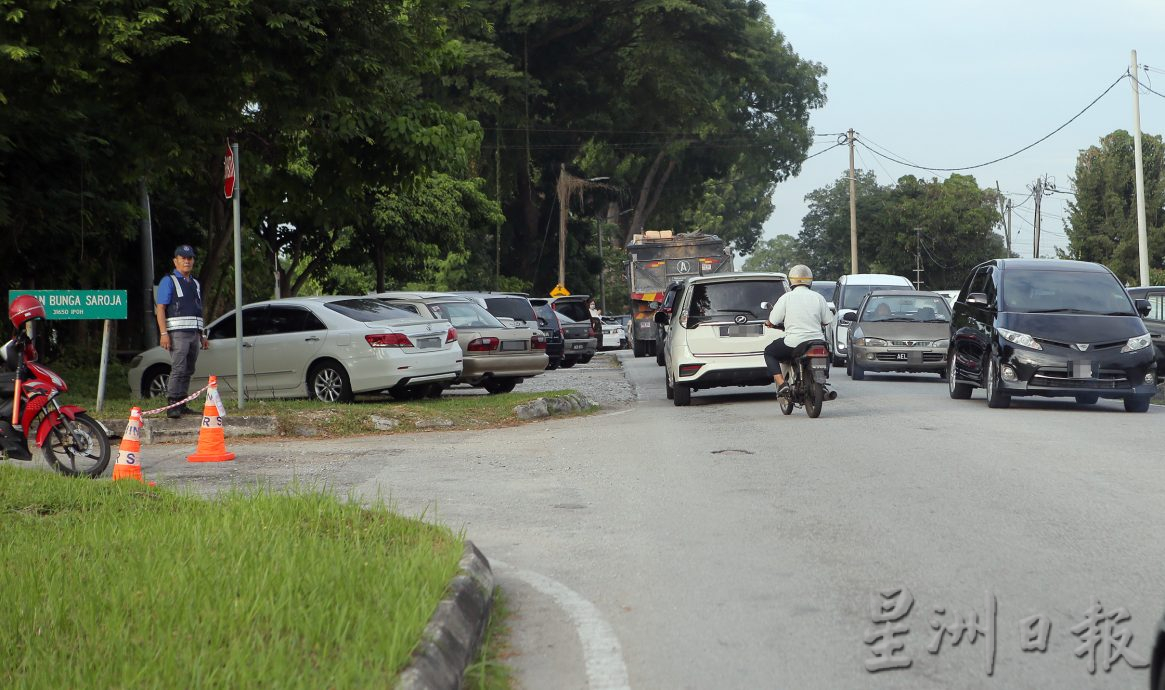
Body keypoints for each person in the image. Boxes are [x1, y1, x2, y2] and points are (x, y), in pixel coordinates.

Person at [155, 244, 209, 418]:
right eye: (183, 258)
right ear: (175, 261)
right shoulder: (168, 281)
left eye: (190, 258)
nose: (187, 261)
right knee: (178, 368)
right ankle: (172, 404)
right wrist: (164, 334)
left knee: (189, 368)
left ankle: (182, 402)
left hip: (194, 332)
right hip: (177, 333)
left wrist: (203, 335)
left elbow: (198, 310)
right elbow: (161, 308)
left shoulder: (195, 283)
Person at [763, 265, 831, 399]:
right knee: (825, 353)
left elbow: (773, 320)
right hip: (817, 342)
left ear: (791, 281)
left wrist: (768, 323)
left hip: (793, 343)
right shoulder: (818, 297)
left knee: (769, 352)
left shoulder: (786, 298)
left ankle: (782, 384)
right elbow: (827, 320)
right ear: (810, 280)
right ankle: (822, 384)